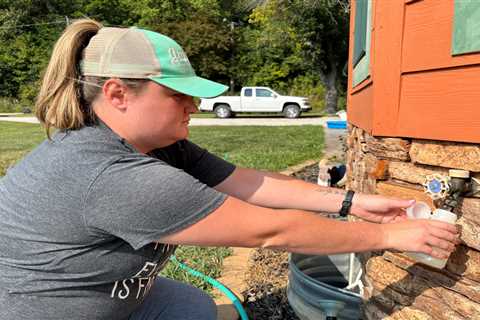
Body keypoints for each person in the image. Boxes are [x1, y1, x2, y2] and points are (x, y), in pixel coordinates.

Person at [0, 19, 459, 320]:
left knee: (195, 308)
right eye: (178, 95)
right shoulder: (112, 176)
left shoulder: (159, 145)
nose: (194, 105)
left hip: (114, 299)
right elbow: (269, 233)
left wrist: (355, 202)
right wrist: (389, 237)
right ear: (118, 94)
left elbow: (249, 183)